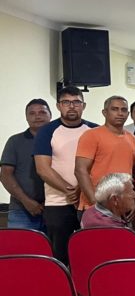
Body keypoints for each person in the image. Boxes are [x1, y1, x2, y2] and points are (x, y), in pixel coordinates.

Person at [33, 86, 98, 264]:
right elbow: (43, 168)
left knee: (92, 253)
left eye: (76, 102)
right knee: (60, 256)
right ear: (58, 106)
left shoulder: (94, 130)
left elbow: (99, 166)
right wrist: (70, 190)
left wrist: (82, 190)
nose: (71, 106)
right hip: (58, 202)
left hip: (90, 202)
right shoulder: (46, 131)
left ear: (84, 105)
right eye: (66, 102)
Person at [75, 96, 135, 211]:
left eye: (124, 110)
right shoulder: (91, 135)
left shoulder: (133, 139)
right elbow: (80, 170)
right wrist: (95, 204)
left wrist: (132, 202)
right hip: (95, 206)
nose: (120, 113)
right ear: (104, 112)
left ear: (128, 114)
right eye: (114, 109)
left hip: (122, 207)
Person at [1, 99, 51, 230]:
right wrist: (26, 201)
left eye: (42, 112)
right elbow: (5, 175)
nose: (37, 116)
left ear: (50, 115)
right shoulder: (15, 141)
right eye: (32, 113)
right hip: (21, 210)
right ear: (26, 117)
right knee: (22, 244)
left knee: (57, 244)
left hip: (56, 209)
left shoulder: (58, 139)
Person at [80, 173, 135, 256]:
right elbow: (130, 256)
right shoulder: (112, 230)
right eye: (131, 192)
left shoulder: (90, 212)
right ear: (115, 199)